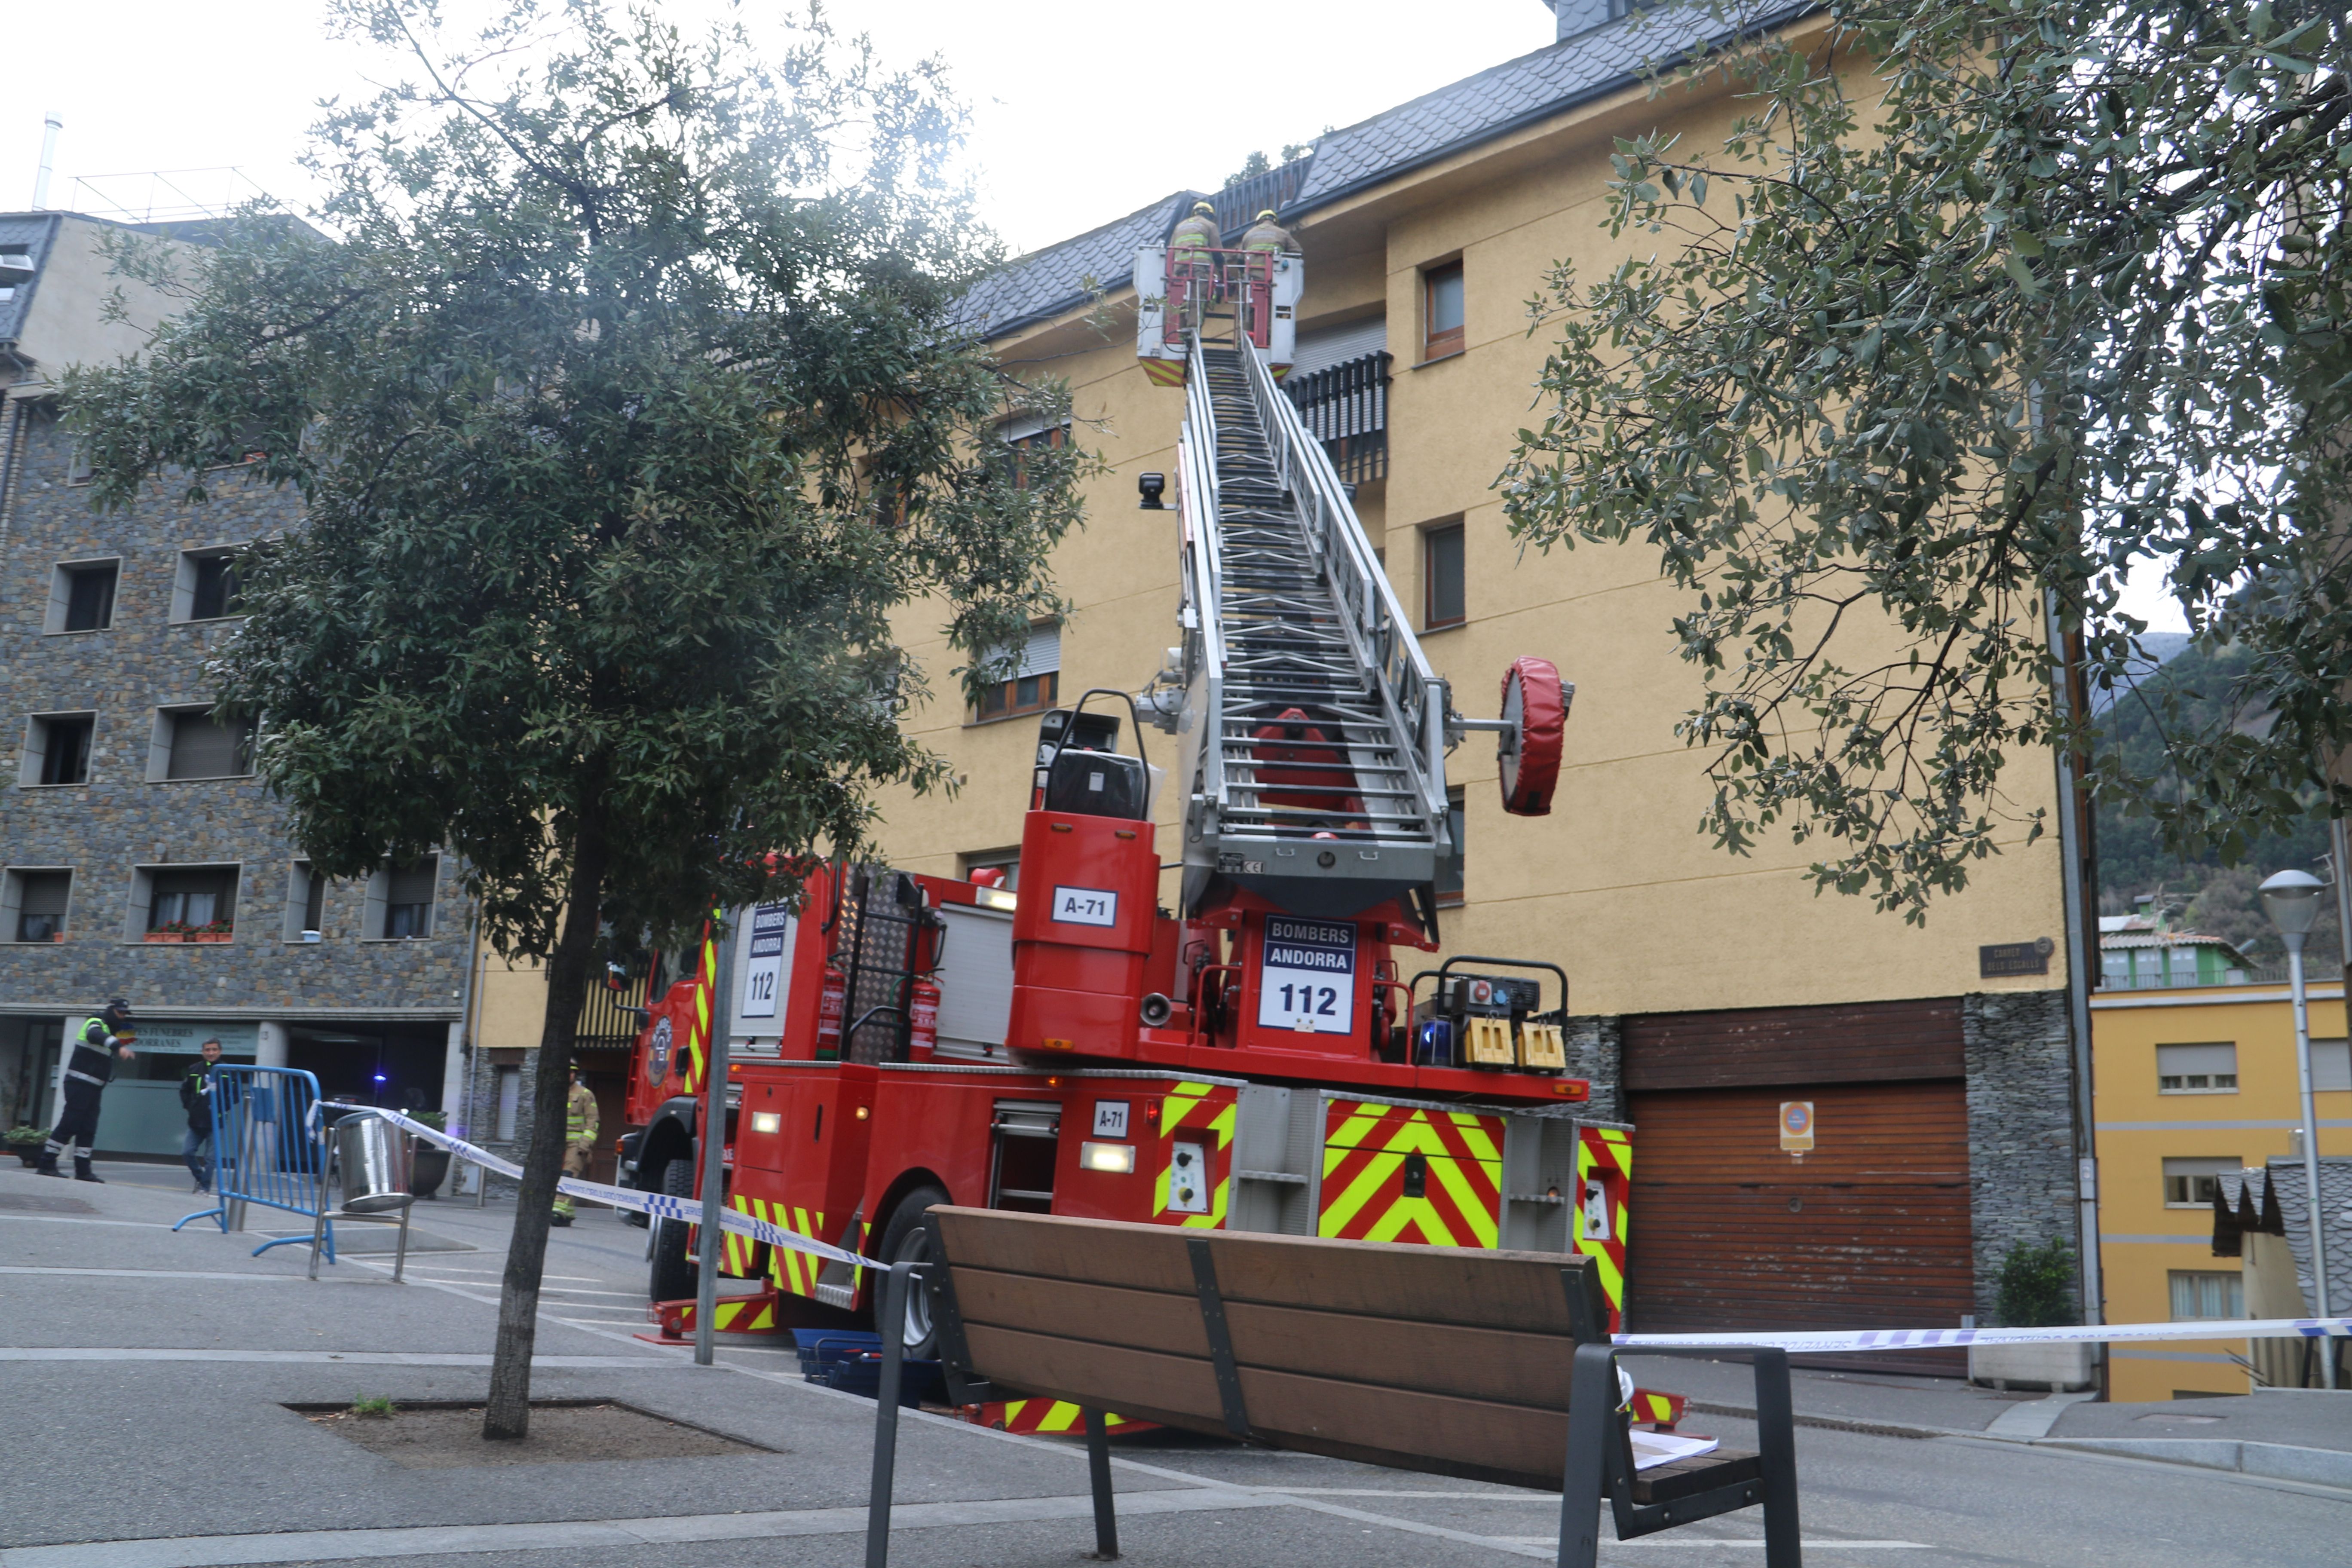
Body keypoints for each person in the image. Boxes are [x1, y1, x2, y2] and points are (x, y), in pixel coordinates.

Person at [37, 1001, 136, 1182]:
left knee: (88, 1128)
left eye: (124, 1014)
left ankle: (83, 1171)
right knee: (70, 1124)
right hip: (79, 1084)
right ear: (111, 1010)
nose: (121, 1016)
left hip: (93, 1087)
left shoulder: (110, 1031)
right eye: (119, 1012)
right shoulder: (96, 1022)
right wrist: (119, 1046)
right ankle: (46, 1164)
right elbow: (93, 1035)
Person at [550, 1068, 599, 1227]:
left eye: (572, 1072)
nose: (568, 1074)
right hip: (557, 1143)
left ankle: (558, 1212)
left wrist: (585, 1145)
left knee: (568, 1176)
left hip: (577, 1145)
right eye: (567, 1071)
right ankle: (568, 1214)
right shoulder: (556, 1093)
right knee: (556, 1176)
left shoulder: (585, 1094)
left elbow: (593, 1122)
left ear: (575, 1074)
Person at [178, 1038, 223, 1193]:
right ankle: (201, 1178)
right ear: (203, 1052)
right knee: (187, 1153)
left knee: (211, 1159)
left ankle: (205, 1187)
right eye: (208, 1050)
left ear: (220, 1051)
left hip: (216, 1122)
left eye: (214, 1050)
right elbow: (184, 1090)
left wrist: (223, 1107)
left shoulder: (227, 1071)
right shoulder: (194, 1069)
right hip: (196, 1121)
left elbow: (236, 1094)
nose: (211, 1053)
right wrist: (191, 1107)